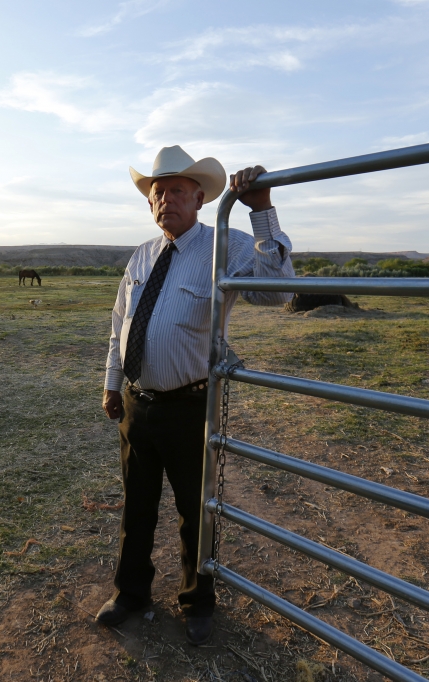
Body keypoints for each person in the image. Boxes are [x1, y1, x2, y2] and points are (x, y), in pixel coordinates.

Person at [96, 145, 294, 645]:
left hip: (190, 406)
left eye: (178, 191)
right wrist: (112, 384)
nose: (167, 200)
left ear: (201, 198)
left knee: (193, 511)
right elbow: (122, 321)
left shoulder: (224, 244)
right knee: (136, 506)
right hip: (139, 407)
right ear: (150, 204)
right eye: (158, 193)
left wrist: (262, 211)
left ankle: (196, 601)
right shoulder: (141, 254)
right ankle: (131, 593)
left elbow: (277, 293)